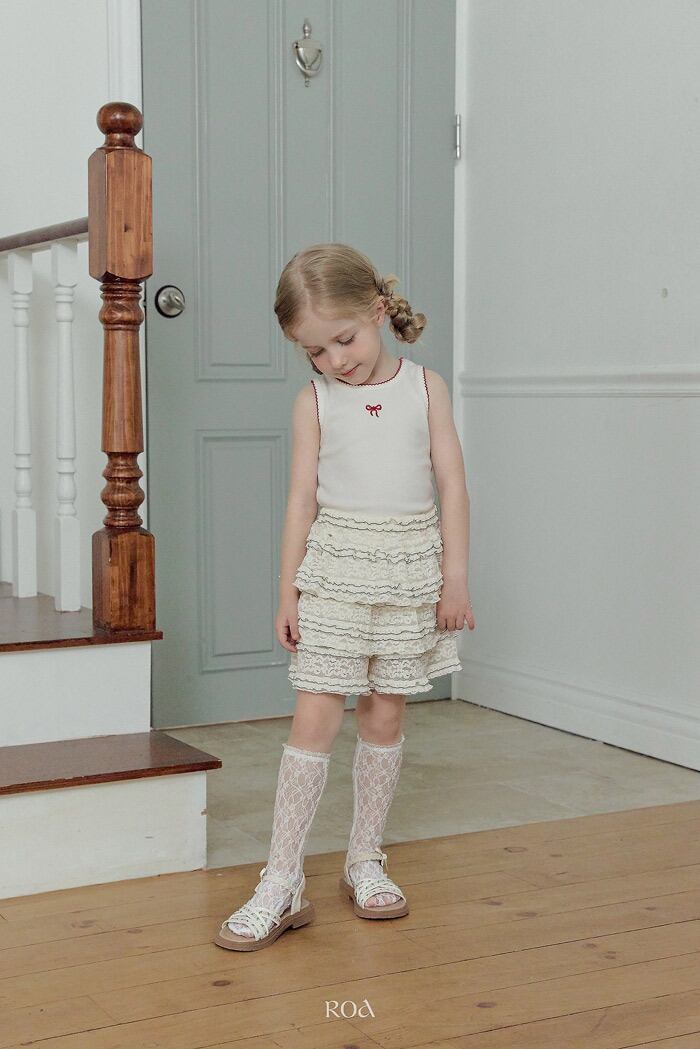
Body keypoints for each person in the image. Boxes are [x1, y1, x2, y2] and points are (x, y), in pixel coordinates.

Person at [215, 243, 474, 951]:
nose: (335, 360)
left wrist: (455, 577)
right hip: (334, 571)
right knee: (315, 716)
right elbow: (301, 500)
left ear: (378, 311)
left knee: (385, 714)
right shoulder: (315, 401)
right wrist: (288, 590)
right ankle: (282, 878)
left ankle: (364, 858)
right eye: (315, 351)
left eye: (344, 339)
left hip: (409, 572)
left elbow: (452, 484)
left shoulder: (426, 389)